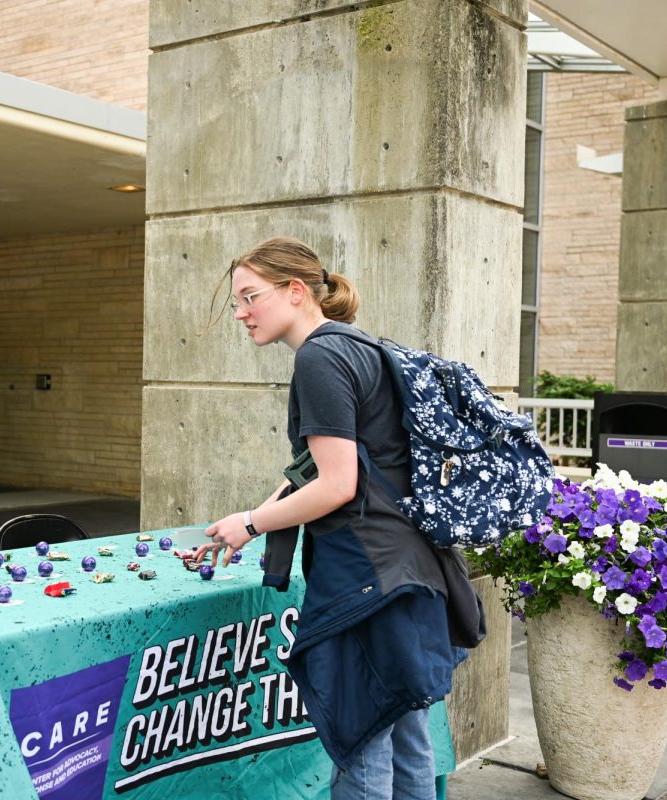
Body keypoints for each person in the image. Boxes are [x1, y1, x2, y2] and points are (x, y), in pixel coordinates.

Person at [192, 237, 482, 800]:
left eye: (250, 297)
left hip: (365, 576)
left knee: (362, 739)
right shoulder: (359, 346)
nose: (241, 313)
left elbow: (337, 483)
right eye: (236, 302)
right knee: (405, 734)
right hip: (409, 569)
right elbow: (318, 467)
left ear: (295, 291)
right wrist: (250, 517)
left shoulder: (319, 357)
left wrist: (253, 524)